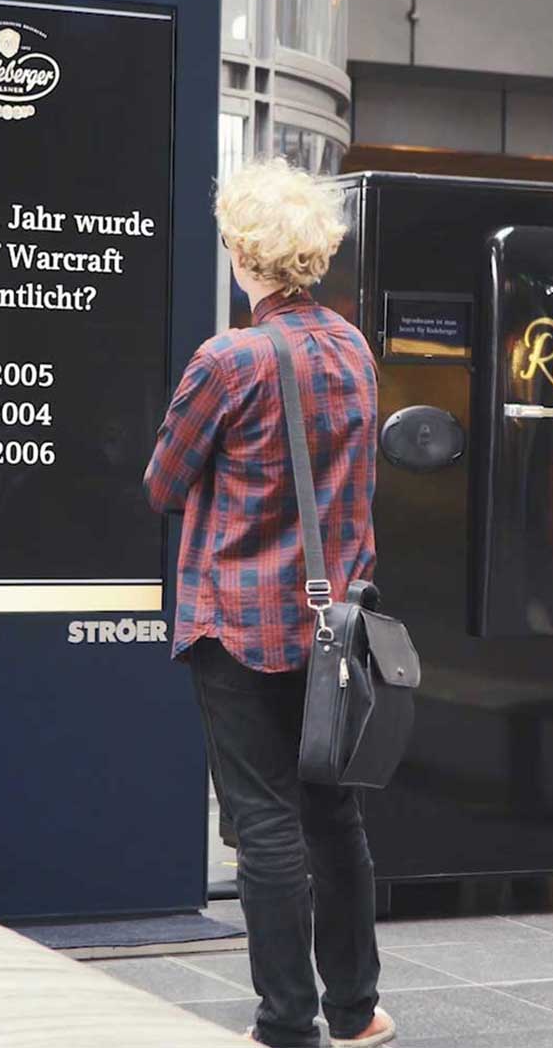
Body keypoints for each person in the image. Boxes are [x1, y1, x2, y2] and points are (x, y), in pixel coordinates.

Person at [143, 158, 392, 1047]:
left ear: (245, 256)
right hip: (336, 624)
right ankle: (358, 1012)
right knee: (333, 812)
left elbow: (164, 483)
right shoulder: (355, 349)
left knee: (264, 823)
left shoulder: (229, 359)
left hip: (239, 623)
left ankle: (287, 1021)